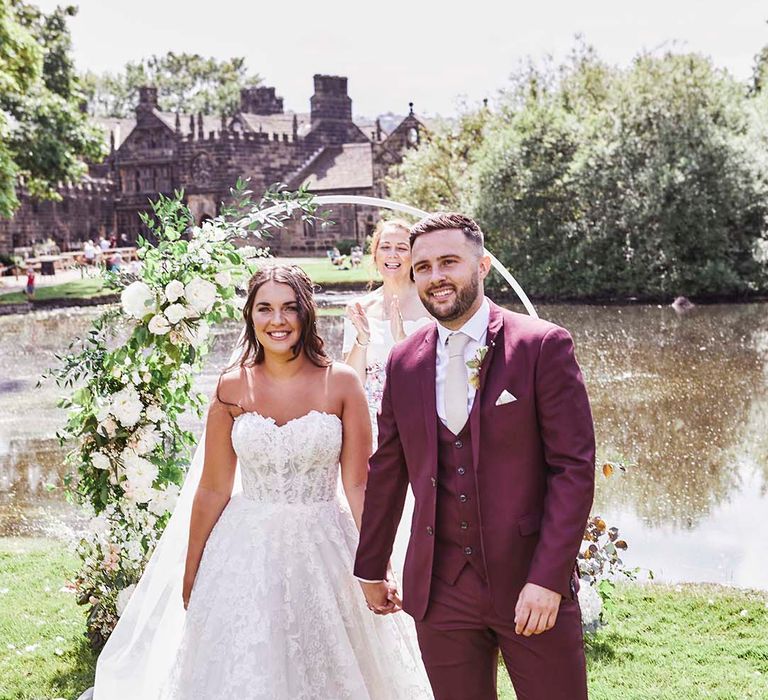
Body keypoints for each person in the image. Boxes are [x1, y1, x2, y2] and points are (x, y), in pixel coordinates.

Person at [91, 265, 431, 700]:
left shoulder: (342, 384)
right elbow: (214, 487)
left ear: (307, 314)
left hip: (325, 543)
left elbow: (360, 486)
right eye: (265, 308)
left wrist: (376, 563)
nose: (278, 320)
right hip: (243, 550)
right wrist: (193, 568)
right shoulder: (231, 387)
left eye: (290, 308)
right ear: (250, 316)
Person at [354, 213, 595, 700]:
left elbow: (573, 470)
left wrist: (548, 580)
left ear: (482, 265)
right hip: (440, 591)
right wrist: (372, 565)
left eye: (449, 262)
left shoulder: (541, 345)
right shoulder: (404, 361)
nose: (435, 276)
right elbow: (388, 468)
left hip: (529, 583)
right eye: (423, 267)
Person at [343, 218, 433, 438]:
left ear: (414, 256)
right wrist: (362, 339)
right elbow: (351, 381)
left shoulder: (431, 304)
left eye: (402, 248)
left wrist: (403, 342)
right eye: (385, 247)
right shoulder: (359, 308)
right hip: (371, 423)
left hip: (421, 414)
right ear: (375, 255)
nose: (392, 254)